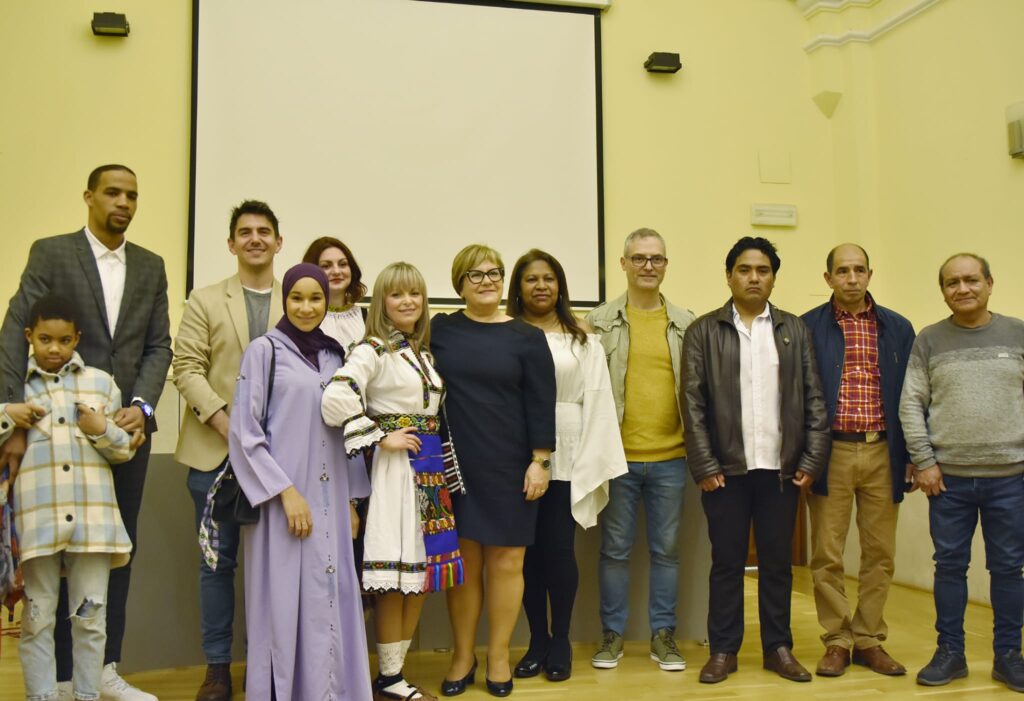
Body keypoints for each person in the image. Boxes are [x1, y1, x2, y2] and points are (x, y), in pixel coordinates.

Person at [0, 164, 171, 701]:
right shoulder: (52, 252)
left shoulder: (151, 265)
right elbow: (14, 329)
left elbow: (158, 345)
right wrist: (11, 418)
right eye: (112, 192)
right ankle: (55, 681)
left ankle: (102, 672)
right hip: (53, 437)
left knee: (114, 551)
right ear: (89, 197)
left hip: (122, 434)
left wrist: (142, 406)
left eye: (132, 195)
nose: (123, 202)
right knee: (51, 562)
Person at [682, 236, 829, 684]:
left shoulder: (793, 330)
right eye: (744, 270)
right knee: (727, 563)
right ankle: (723, 650)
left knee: (777, 565)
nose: (753, 278)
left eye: (762, 270)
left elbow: (814, 398)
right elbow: (692, 404)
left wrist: (812, 458)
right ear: (729, 276)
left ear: (773, 278)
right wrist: (705, 465)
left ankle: (778, 648)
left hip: (781, 472)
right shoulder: (703, 331)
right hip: (725, 473)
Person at [227, 263, 372, 700]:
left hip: (333, 501)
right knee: (283, 603)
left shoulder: (335, 356)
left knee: (331, 596)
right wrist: (285, 492)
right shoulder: (264, 351)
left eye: (315, 298)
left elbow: (347, 429)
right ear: (284, 299)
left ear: (327, 301)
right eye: (297, 298)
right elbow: (245, 433)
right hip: (282, 504)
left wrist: (352, 501)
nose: (306, 307)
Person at [323, 261, 463, 701]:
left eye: (415, 293)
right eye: (397, 294)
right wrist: (381, 437)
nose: (407, 302)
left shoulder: (422, 353)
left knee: (421, 575)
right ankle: (389, 676)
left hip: (429, 471)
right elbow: (335, 397)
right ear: (381, 301)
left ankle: (393, 675)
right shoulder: (373, 350)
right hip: (395, 474)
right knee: (393, 577)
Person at [431, 244, 556, 697]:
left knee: (507, 563)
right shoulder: (440, 329)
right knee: (464, 565)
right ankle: (463, 656)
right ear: (459, 283)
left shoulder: (527, 337)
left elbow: (541, 403)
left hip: (511, 466)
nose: (487, 281)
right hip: (456, 466)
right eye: (476, 274)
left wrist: (540, 462)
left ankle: (499, 655)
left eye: (494, 273)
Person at [172, 199, 283, 701]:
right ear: (232, 243)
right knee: (216, 567)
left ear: (278, 242)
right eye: (245, 231)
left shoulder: (299, 297)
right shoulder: (205, 299)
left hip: (280, 461)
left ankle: (271, 664)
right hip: (213, 455)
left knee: (276, 567)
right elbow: (186, 368)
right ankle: (218, 669)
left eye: (264, 231)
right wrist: (229, 425)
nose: (255, 238)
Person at [899, 253, 1024, 692]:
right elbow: (911, 404)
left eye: (971, 280)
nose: (963, 289)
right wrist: (925, 462)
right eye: (952, 282)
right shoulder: (929, 340)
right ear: (943, 291)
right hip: (946, 481)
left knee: (1009, 568)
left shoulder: (1018, 333)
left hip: (1011, 479)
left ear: (990, 283)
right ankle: (950, 653)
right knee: (949, 567)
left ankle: (1009, 656)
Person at [2, 295, 134, 701]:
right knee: (37, 618)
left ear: (77, 338)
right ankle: (41, 695)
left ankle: (87, 694)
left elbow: (124, 449)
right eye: (45, 339)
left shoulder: (101, 383)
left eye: (64, 340)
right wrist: (9, 416)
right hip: (37, 522)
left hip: (93, 524)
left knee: (91, 618)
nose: (54, 349)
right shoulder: (14, 386)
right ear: (29, 336)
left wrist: (100, 429)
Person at [505, 249, 626, 682]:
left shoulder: (582, 336)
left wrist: (592, 457)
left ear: (560, 286)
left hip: (569, 450)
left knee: (558, 550)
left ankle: (561, 640)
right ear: (518, 287)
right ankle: (537, 640)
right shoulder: (506, 333)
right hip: (515, 451)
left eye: (549, 278)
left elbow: (598, 397)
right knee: (525, 553)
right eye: (531, 279)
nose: (541, 286)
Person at [801, 244, 915, 678]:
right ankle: (837, 639)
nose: (852, 278)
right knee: (826, 553)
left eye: (859, 270)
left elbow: (912, 396)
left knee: (880, 552)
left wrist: (910, 455)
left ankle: (868, 639)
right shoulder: (808, 326)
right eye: (843, 270)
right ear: (828, 277)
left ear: (870, 274)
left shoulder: (897, 327)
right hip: (831, 451)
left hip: (884, 450)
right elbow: (795, 395)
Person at [585, 228, 694, 672]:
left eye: (657, 259)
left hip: (672, 459)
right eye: (639, 258)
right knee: (614, 551)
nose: (648, 266)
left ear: (666, 265)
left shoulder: (686, 323)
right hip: (616, 459)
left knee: (667, 552)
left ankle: (663, 636)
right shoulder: (598, 322)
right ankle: (611, 635)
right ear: (623, 264)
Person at [303, 236, 368, 351]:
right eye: (326, 266)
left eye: (343, 264)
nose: (336, 271)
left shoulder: (367, 317)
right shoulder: (303, 317)